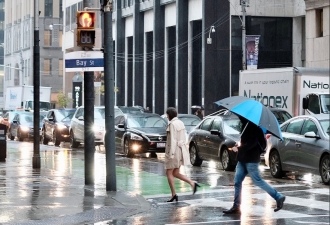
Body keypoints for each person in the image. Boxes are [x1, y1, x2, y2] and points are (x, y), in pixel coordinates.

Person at [223, 117, 285, 214]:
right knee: (237, 181)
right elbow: (246, 141)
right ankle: (236, 206)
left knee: (257, 181)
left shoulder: (254, 128)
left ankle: (278, 197)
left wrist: (239, 149)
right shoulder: (246, 125)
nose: (239, 117)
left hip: (251, 160)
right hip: (242, 160)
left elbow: (252, 144)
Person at [165, 107, 200, 202]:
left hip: (174, 150)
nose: (166, 116)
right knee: (175, 173)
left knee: (169, 172)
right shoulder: (180, 122)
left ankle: (173, 194)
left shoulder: (172, 124)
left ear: (169, 115)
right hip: (181, 150)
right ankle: (192, 183)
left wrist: (171, 154)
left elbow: (172, 140)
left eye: (167, 114)